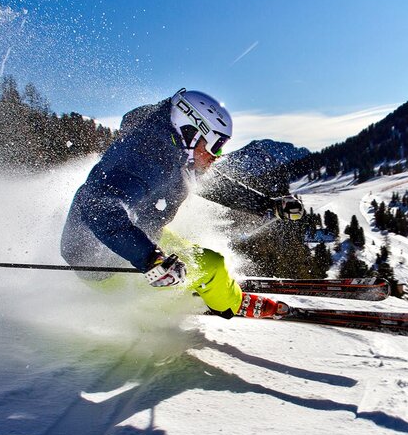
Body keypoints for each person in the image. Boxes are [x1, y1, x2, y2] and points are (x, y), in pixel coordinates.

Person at [60, 88, 304, 318]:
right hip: (104, 265)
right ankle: (231, 304)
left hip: (128, 235)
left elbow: (216, 187)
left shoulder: (172, 147)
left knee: (183, 251)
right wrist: (149, 259)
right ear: (193, 131)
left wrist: (267, 206)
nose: (217, 156)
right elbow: (97, 207)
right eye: (216, 145)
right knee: (213, 265)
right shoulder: (148, 159)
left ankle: (198, 287)